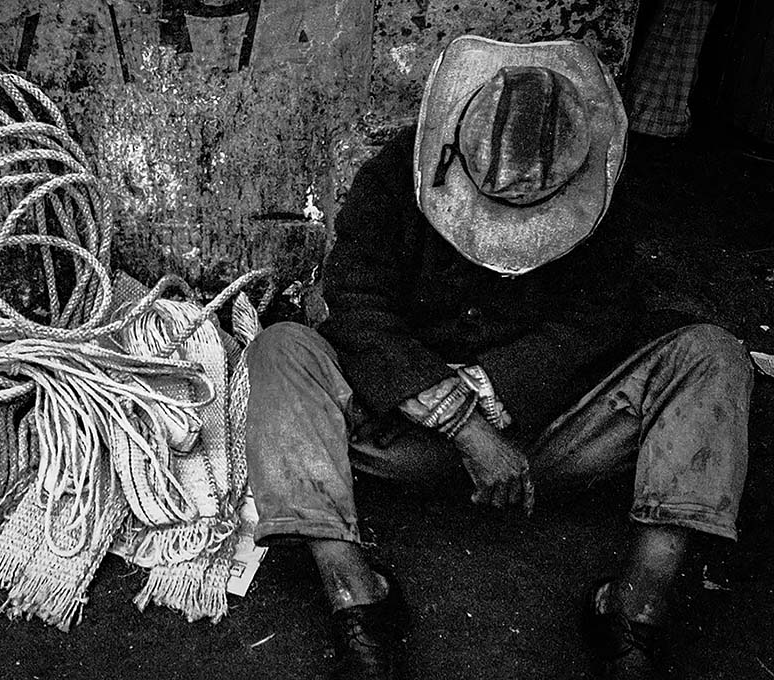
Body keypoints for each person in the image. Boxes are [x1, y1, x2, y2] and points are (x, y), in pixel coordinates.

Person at [243, 35, 753, 680]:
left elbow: (603, 317)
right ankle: (357, 598)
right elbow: (358, 305)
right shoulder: (392, 175)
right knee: (280, 350)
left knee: (712, 354)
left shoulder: (601, 185)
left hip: (552, 441)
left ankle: (633, 610)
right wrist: (462, 423)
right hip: (405, 431)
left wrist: (499, 389)